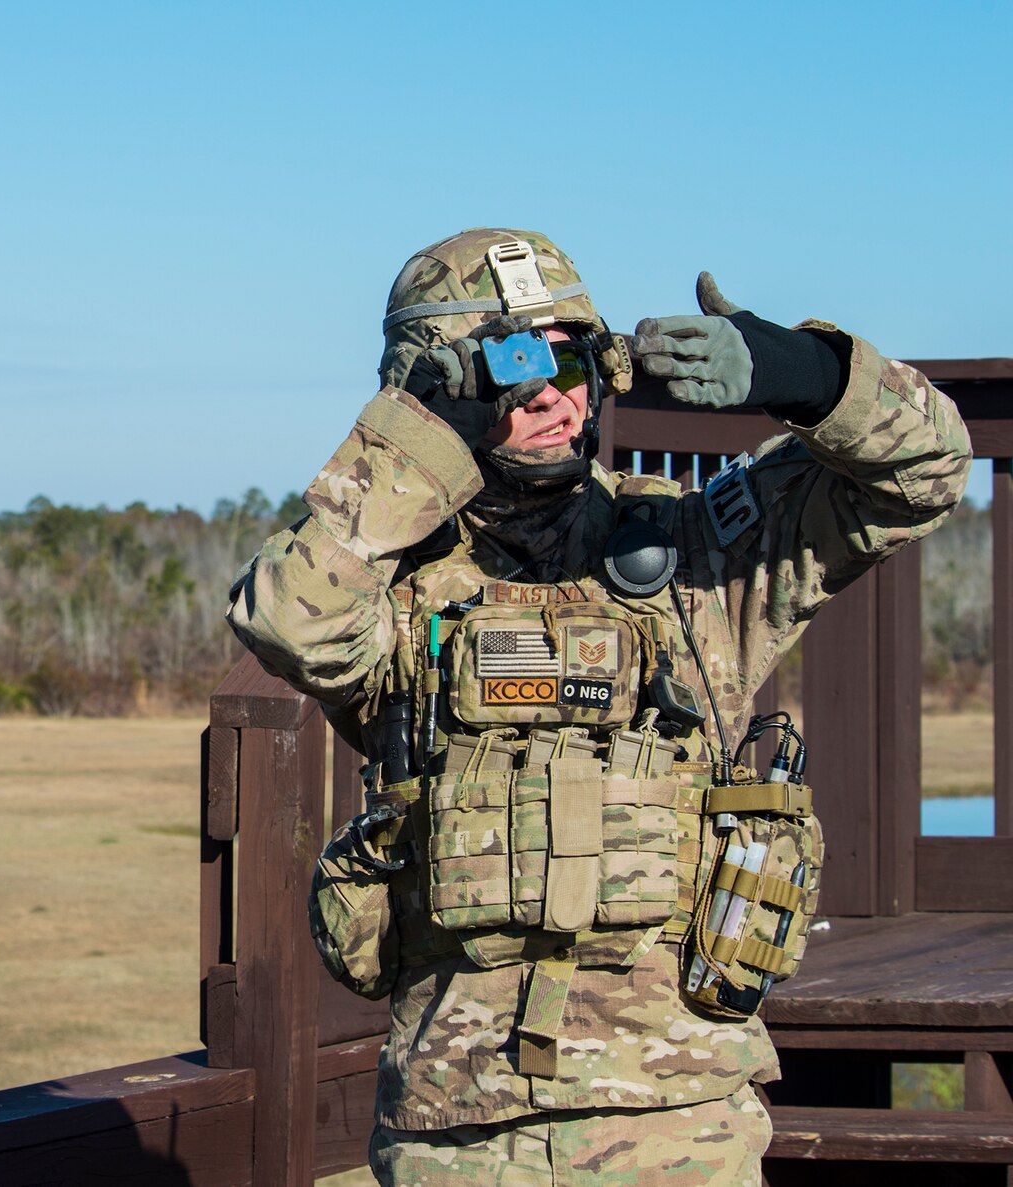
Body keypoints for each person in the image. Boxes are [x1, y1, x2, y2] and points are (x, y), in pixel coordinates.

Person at [226, 228, 970, 1184]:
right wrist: (416, 432)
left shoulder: (696, 561)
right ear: (431, 395)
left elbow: (925, 472)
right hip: (460, 1124)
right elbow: (287, 616)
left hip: (680, 1120)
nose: (547, 394)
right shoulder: (394, 595)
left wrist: (803, 372)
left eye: (569, 359)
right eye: (504, 370)